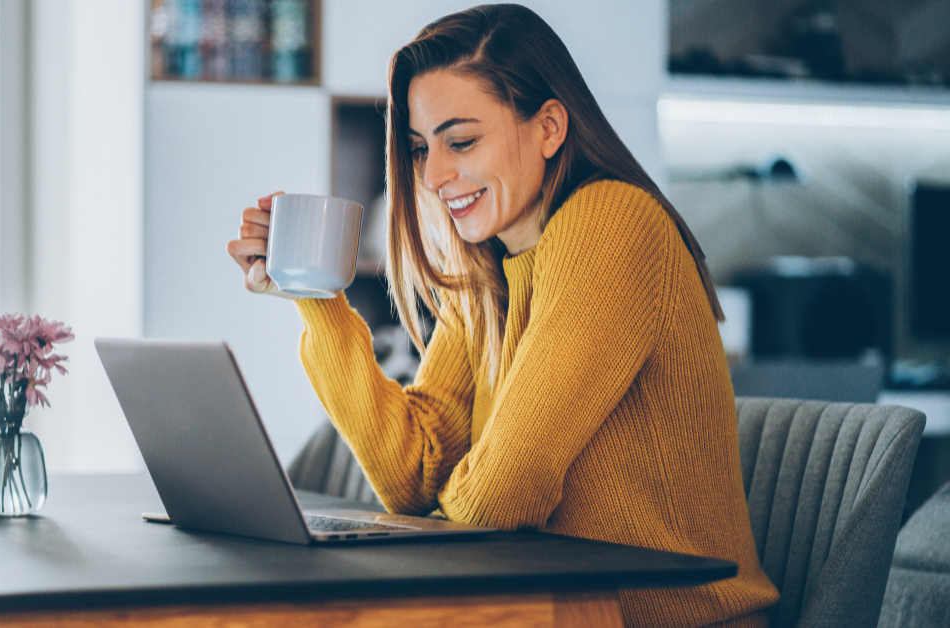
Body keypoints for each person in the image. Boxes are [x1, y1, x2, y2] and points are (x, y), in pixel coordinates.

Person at [227, 5, 779, 627]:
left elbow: (506, 489)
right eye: (419, 148)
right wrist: (317, 298)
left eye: (461, 141)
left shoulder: (613, 223)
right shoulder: (490, 268)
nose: (433, 176)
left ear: (548, 127)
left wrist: (408, 544)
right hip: (549, 610)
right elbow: (415, 474)